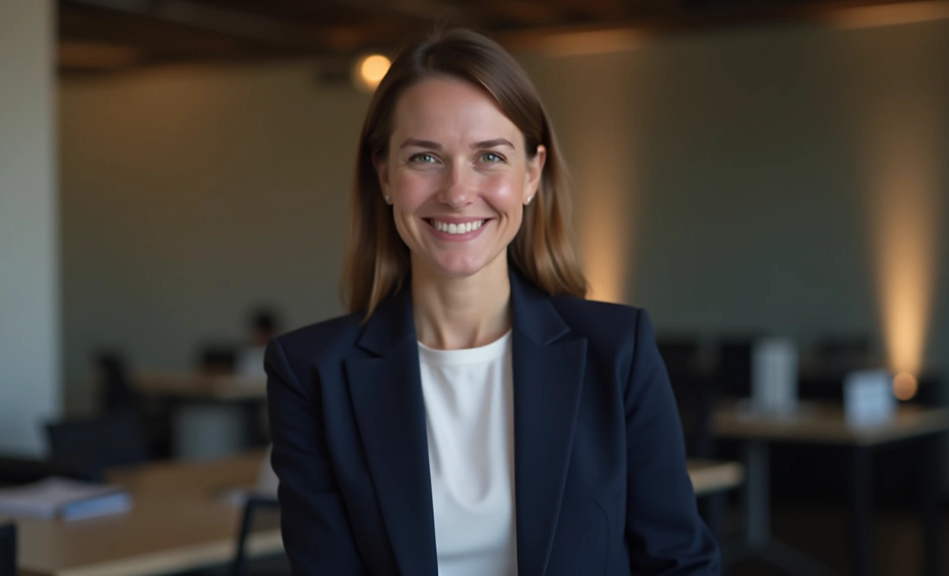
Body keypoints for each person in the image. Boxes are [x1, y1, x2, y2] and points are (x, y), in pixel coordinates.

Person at [266, 28, 720, 576]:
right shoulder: (311, 372)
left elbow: (680, 564)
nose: (457, 191)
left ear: (531, 174)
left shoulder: (617, 352)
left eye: (489, 156)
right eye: (425, 157)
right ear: (384, 173)